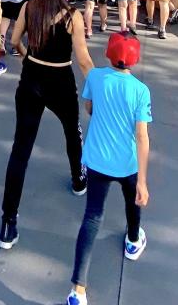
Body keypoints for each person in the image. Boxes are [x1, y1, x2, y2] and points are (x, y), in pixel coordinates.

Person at [0, 0, 94, 250]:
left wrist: (29, 57)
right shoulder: (72, 17)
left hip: (31, 80)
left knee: (21, 150)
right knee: (72, 131)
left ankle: (8, 221)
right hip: (60, 81)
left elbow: (14, 41)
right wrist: (97, 90)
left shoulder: (30, 8)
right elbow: (83, 60)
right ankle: (79, 179)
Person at [65, 32, 151, 305]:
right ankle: (133, 240)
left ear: (108, 54)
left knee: (92, 217)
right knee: (131, 204)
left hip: (97, 161)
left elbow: (89, 108)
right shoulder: (140, 90)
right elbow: (142, 136)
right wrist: (143, 181)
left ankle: (77, 290)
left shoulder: (95, 77)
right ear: (135, 60)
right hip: (127, 164)